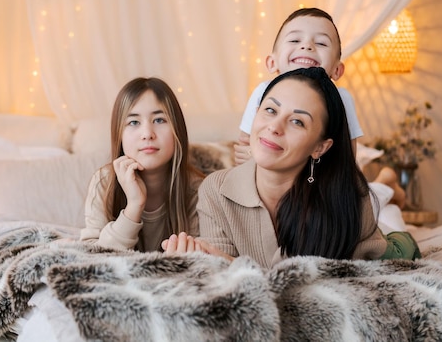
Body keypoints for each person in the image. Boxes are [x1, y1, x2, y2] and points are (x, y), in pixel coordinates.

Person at [162, 67, 420, 268]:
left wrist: (231, 265)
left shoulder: (349, 197)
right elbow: (222, 274)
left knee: (396, 232)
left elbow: (332, 285)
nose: (274, 127)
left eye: (297, 121)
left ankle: (388, 184)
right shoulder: (215, 190)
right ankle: (387, 183)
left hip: (389, 244)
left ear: (320, 147)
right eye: (270, 110)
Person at [234, 7, 406, 208]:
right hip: (279, 189)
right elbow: (243, 148)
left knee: (377, 214)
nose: (307, 46)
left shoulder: (340, 99)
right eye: (295, 40)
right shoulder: (263, 93)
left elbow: (346, 159)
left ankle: (386, 183)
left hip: (330, 189)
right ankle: (383, 183)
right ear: (272, 62)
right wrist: (252, 157)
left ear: (337, 69)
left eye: (321, 43)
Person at [80, 77, 204, 252]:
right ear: (119, 135)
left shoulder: (198, 190)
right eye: (134, 122)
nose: (147, 134)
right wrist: (134, 206)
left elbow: (203, 261)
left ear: (178, 129)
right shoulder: (104, 182)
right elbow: (92, 258)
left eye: (159, 120)